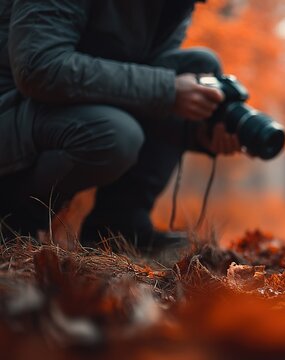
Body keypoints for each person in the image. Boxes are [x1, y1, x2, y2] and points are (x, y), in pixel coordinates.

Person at [0, 0, 240, 251]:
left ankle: (118, 224)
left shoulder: (173, 6)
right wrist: (167, 90)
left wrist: (200, 133)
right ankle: (12, 217)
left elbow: (140, 82)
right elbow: (39, 67)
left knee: (200, 70)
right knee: (116, 134)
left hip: (49, 108)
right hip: (10, 102)